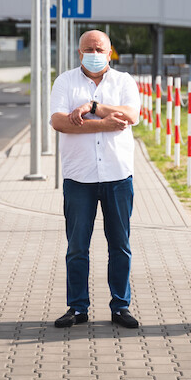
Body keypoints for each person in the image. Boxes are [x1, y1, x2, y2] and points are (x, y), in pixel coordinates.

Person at [50, 29, 141, 329]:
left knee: (120, 245)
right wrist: (104, 123)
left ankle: (120, 306)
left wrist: (91, 109)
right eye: (89, 48)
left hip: (117, 176)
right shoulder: (65, 81)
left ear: (110, 52)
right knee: (77, 246)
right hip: (79, 177)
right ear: (79, 53)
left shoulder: (124, 81)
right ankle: (77, 307)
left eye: (100, 48)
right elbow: (59, 122)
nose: (94, 52)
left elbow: (131, 115)